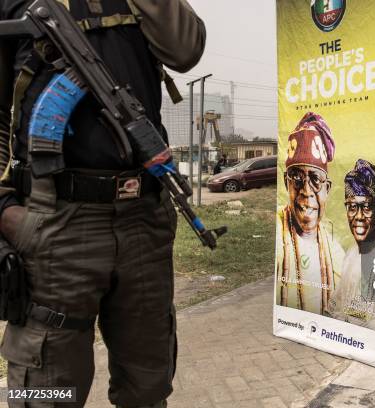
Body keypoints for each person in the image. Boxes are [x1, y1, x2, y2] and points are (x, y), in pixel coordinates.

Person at [0, 1, 205, 407]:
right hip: (54, 222)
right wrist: (5, 209)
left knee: (147, 386)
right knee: (45, 391)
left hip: (143, 219)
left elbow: (185, 51)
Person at [276, 112, 345, 315]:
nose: (306, 191)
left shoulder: (335, 250)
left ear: (328, 188)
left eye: (315, 179)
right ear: (285, 181)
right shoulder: (277, 232)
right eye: (296, 177)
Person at [327, 159, 375, 332]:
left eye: (366, 207)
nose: (359, 216)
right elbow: (334, 307)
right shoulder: (350, 255)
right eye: (352, 207)